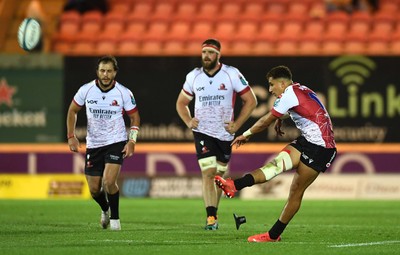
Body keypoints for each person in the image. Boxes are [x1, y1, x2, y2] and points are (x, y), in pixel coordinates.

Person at [215, 65, 337, 242]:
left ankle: (273, 235)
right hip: (307, 141)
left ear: (282, 83)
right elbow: (305, 109)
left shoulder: (289, 94)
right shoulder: (299, 89)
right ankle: (234, 185)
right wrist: (280, 118)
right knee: (274, 166)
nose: (270, 89)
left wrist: (246, 135)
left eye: (272, 85)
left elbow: (265, 120)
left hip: (321, 148)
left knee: (295, 191)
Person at [176, 38, 257, 230]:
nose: (206, 56)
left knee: (219, 177)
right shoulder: (193, 76)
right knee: (208, 173)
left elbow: (251, 101)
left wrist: (237, 124)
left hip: (225, 135)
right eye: (204, 52)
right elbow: (181, 103)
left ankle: (214, 214)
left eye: (211, 53)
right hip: (202, 131)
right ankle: (211, 217)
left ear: (218, 55)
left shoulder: (231, 74)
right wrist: (188, 121)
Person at [67, 55, 140, 230]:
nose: (105, 74)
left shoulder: (124, 92)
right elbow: (72, 111)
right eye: (102, 70)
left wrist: (132, 141)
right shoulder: (86, 90)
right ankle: (105, 208)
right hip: (94, 144)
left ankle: (115, 220)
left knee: (108, 182)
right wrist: (71, 135)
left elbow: (134, 117)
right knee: (94, 189)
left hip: (116, 141)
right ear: (97, 72)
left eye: (109, 71)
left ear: (115, 72)